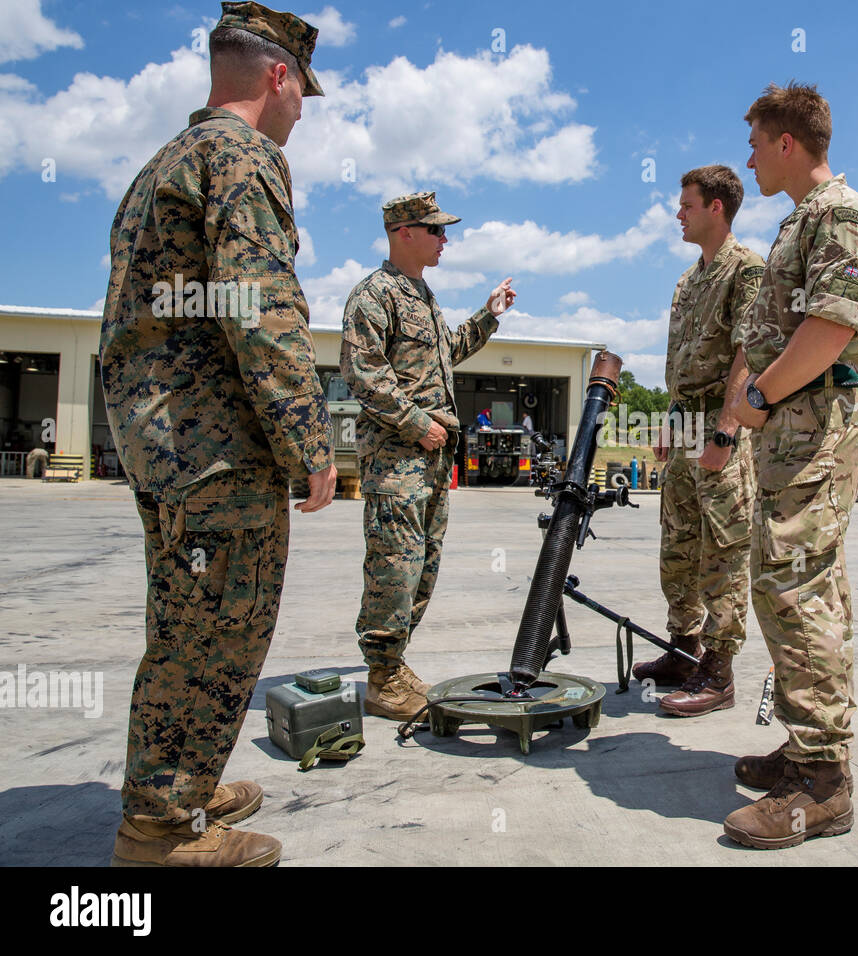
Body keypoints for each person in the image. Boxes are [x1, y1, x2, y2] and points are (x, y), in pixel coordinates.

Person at [100, 1, 335, 867]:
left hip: (161, 440)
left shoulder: (168, 159)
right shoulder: (244, 156)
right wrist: (309, 441)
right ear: (278, 77)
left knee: (187, 619)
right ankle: (160, 830)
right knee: (213, 633)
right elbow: (260, 307)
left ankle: (182, 784)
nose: (304, 109)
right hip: (214, 447)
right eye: (304, 91)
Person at [722, 82, 858, 849]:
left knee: (800, 588)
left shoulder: (843, 215)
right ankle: (805, 750)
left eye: (756, 142)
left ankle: (822, 785)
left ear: (786, 142)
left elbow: (831, 326)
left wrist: (759, 392)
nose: (750, 156)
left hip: (814, 418)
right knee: (795, 585)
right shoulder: (804, 220)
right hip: (793, 425)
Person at [340, 192, 516, 720]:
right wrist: (418, 423)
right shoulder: (375, 295)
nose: (445, 239)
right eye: (436, 230)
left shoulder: (423, 295)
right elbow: (363, 373)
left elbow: (447, 352)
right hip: (398, 459)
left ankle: (394, 663)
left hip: (432, 461)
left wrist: (487, 317)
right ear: (404, 232)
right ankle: (381, 674)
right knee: (394, 565)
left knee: (422, 565)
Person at [639, 165, 763, 718]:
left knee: (723, 550)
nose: (678, 213)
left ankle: (719, 671)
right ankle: (682, 647)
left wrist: (726, 430)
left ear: (716, 207)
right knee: (679, 546)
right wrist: (670, 419)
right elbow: (679, 362)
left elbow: (748, 354)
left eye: (687, 204)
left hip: (719, 421)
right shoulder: (687, 283)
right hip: (684, 421)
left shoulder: (747, 272)